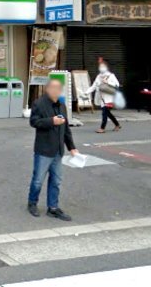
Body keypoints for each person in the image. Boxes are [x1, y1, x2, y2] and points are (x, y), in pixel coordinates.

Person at [27, 79, 80, 221]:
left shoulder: (62, 105)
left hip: (58, 150)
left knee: (56, 181)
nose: (57, 90)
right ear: (48, 89)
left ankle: (53, 208)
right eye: (54, 87)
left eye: (59, 88)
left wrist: (72, 147)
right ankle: (32, 203)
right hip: (44, 149)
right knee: (38, 180)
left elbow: (66, 129)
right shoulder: (39, 103)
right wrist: (52, 121)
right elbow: (34, 122)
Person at [85, 58, 121, 134]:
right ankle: (117, 125)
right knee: (108, 113)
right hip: (101, 98)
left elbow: (117, 85)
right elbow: (94, 86)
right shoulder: (98, 76)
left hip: (109, 98)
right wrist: (86, 92)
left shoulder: (111, 76)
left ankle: (102, 128)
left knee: (104, 113)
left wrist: (107, 82)